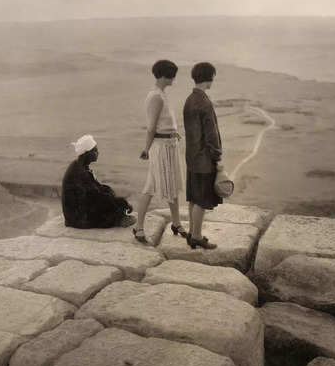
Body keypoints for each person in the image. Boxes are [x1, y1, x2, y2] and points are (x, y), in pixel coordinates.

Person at [133, 60, 187, 244]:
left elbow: (164, 122)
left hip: (169, 145)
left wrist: (173, 133)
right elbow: (151, 127)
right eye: (172, 75)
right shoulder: (156, 96)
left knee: (166, 185)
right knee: (151, 187)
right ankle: (139, 228)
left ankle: (176, 223)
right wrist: (146, 149)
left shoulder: (161, 94)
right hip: (161, 147)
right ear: (165, 75)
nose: (174, 79)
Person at [183, 62, 223, 249]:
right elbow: (211, 134)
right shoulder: (204, 102)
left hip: (191, 157)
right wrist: (217, 156)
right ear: (210, 77)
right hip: (204, 159)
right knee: (201, 199)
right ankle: (197, 237)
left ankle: (192, 233)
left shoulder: (190, 99)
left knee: (193, 198)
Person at [62, 134, 136, 229]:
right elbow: (97, 196)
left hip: (75, 215)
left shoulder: (79, 166)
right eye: (95, 151)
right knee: (106, 207)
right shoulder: (80, 172)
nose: (98, 153)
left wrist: (113, 196)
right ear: (87, 153)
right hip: (77, 219)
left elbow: (97, 189)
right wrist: (120, 203)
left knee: (107, 190)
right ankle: (119, 219)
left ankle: (119, 215)